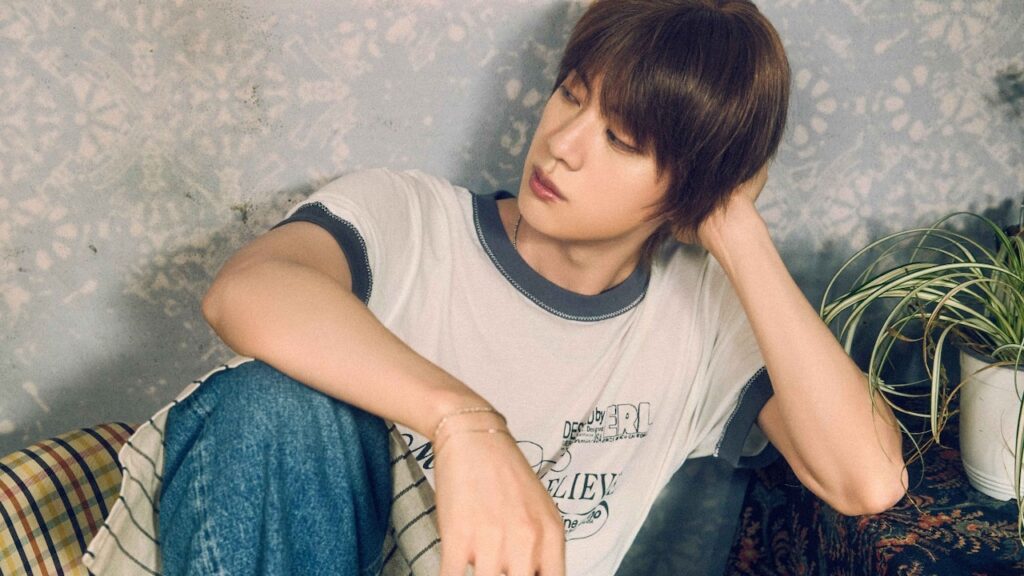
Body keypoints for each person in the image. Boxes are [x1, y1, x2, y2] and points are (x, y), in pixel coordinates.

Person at [85, 1, 907, 574]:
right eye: (570, 95)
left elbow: (866, 478)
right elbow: (247, 290)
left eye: (621, 139)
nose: (563, 144)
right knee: (272, 402)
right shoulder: (411, 220)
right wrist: (463, 424)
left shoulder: (700, 318)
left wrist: (734, 226)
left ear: (691, 184)